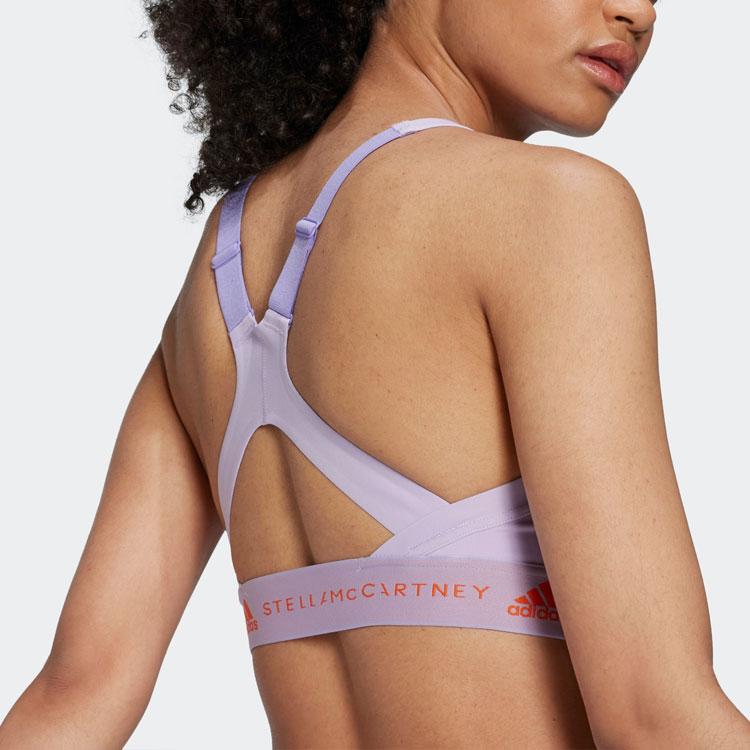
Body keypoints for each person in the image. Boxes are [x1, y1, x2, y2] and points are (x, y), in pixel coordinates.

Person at [2, 1, 748, 747]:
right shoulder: (551, 206)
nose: (638, 12)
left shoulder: (220, 270)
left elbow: (77, 694)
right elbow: (653, 716)